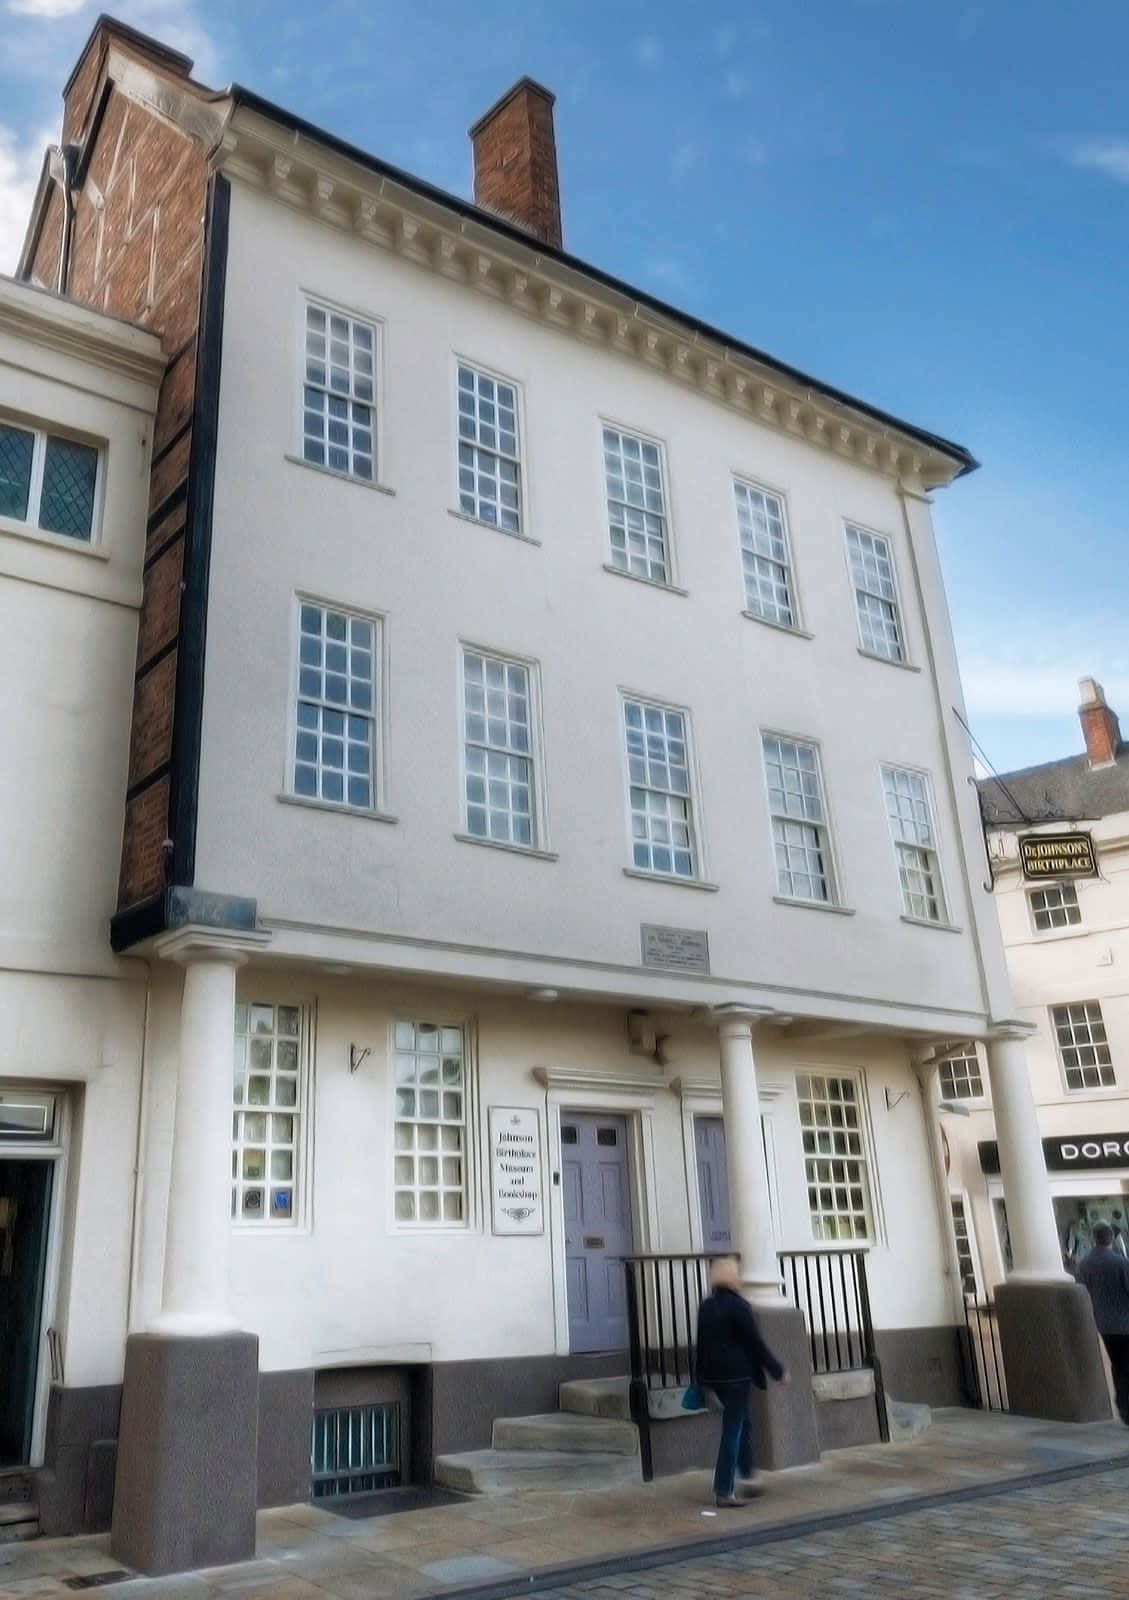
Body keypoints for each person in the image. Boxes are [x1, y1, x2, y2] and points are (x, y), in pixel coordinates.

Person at [694, 1256, 789, 1507]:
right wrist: (777, 1370)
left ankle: (748, 1475)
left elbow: (701, 1346)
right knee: (733, 1430)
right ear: (733, 1278)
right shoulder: (739, 1307)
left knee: (743, 1424)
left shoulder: (706, 1306)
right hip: (736, 1378)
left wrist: (701, 1378)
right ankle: (724, 1489)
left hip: (715, 1377)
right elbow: (755, 1344)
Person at [1077, 1221, 1129, 1425]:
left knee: (1118, 1365)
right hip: (1125, 1323)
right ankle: (1126, 1406)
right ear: (1112, 1239)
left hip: (1104, 1324)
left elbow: (1083, 1291)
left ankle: (1123, 1406)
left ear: (1093, 1238)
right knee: (1126, 1366)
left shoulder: (1084, 1264)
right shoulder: (1120, 1262)